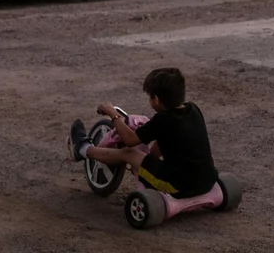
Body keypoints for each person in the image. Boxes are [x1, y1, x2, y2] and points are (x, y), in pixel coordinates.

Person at [67, 67, 219, 198]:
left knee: (128, 152)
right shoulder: (193, 109)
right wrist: (148, 160)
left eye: (150, 97)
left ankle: (82, 148)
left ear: (156, 100)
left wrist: (113, 114)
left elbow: (129, 140)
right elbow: (165, 140)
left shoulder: (162, 120)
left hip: (178, 186)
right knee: (150, 155)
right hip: (208, 180)